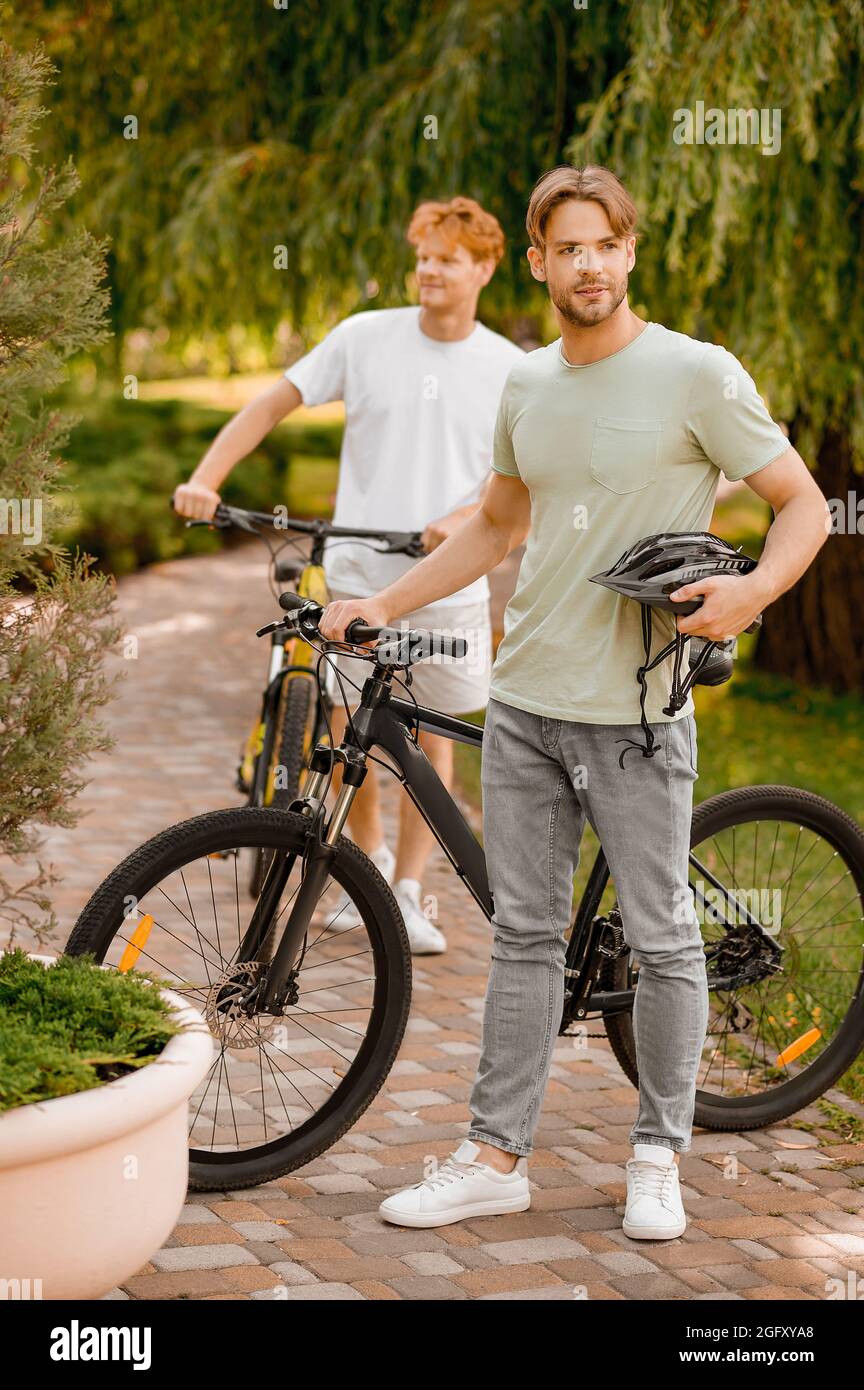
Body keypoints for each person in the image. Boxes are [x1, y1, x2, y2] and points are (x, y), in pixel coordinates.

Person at [317, 164, 831, 1238]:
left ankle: (658, 1154)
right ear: (540, 261)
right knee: (523, 938)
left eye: (608, 244)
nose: (589, 264)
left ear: (630, 253)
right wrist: (382, 602)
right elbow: (496, 527)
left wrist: (751, 593)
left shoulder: (697, 373)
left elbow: (802, 505)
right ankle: (494, 1153)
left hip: (639, 712)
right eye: (569, 247)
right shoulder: (531, 385)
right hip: (529, 701)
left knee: (662, 937)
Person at [173, 196, 524, 954]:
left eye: (448, 259)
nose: (430, 269)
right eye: (423, 255)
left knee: (431, 737)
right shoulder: (365, 337)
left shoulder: (511, 368)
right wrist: (206, 477)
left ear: (485, 268)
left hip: (448, 578)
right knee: (351, 727)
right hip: (361, 573)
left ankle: (410, 891)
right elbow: (273, 402)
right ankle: (362, 876)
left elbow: (526, 479)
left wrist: (464, 516)